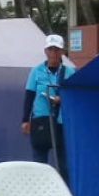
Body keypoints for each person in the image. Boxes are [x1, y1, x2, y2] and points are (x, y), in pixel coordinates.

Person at [21, 34, 74, 181]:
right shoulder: (36, 71)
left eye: (56, 50)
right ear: (45, 51)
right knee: (39, 162)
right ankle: (38, 192)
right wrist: (25, 119)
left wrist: (61, 99)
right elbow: (29, 95)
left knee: (63, 164)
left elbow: (74, 96)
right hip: (41, 120)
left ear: (62, 52)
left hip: (61, 122)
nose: (53, 53)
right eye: (50, 49)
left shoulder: (69, 72)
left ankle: (66, 193)